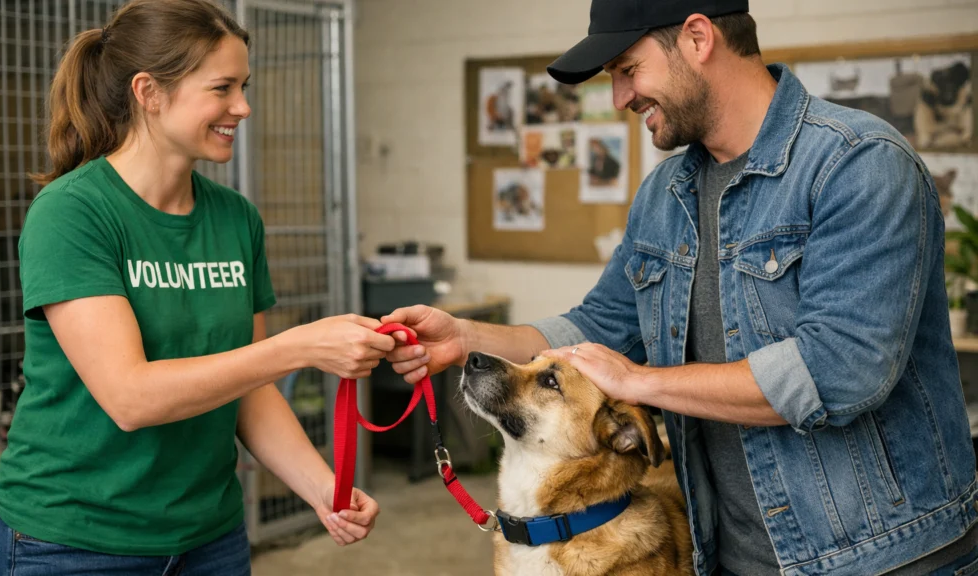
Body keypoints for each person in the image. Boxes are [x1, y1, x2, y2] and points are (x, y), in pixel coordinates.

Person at [384, 1, 978, 574]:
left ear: (698, 38)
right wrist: (463, 337)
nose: (620, 97)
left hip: (882, 559)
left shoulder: (858, 164)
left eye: (627, 70)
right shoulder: (666, 193)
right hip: (728, 554)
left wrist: (642, 383)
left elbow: (840, 370)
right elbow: (599, 327)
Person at [0, 1, 391, 574]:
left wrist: (324, 487)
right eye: (222, 88)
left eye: (244, 86)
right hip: (73, 540)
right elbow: (129, 397)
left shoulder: (235, 218)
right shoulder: (73, 213)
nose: (243, 107)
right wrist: (297, 347)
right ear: (148, 92)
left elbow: (249, 387)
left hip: (210, 537)